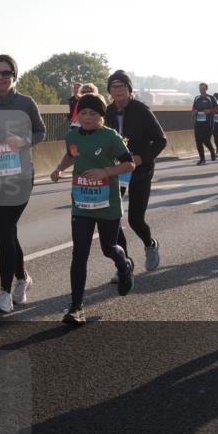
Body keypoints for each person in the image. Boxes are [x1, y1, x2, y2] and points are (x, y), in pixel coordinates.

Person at [51, 93, 136, 326]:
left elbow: (129, 163)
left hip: (107, 203)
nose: (87, 117)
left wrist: (105, 172)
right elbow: (72, 154)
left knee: (109, 248)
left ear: (101, 116)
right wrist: (59, 168)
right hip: (82, 203)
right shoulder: (72, 136)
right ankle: (76, 307)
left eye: (93, 113)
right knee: (79, 253)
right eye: (83, 113)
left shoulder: (110, 137)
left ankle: (124, 265)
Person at [0, 55, 46, 314]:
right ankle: (22, 278)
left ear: (14, 76)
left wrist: (24, 141)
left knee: (4, 229)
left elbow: (41, 131)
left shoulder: (26, 103)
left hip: (20, 176)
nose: (1, 77)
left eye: (6, 73)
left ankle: (4, 292)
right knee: (8, 232)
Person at [104, 70, 166, 272]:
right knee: (113, 218)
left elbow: (160, 140)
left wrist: (141, 158)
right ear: (109, 91)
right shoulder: (107, 112)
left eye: (122, 86)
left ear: (129, 89)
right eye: (114, 86)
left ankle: (150, 244)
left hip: (140, 169)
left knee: (135, 220)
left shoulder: (141, 110)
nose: (118, 90)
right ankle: (124, 263)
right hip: (116, 170)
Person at [191, 82, 218, 165]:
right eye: (200, 88)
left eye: (203, 88)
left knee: (206, 140)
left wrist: (210, 111)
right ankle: (202, 159)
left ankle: (212, 150)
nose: (201, 90)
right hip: (198, 123)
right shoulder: (196, 98)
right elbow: (193, 109)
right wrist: (194, 112)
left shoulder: (211, 98)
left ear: (206, 89)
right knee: (198, 141)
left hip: (208, 123)